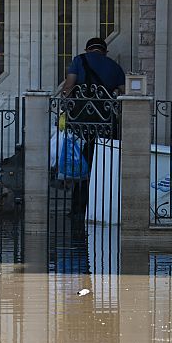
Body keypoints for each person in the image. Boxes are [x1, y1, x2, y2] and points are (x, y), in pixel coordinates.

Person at [61, 37, 125, 222]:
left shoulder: (79, 61)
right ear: (104, 52)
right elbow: (124, 93)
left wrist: (64, 107)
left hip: (81, 121)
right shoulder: (114, 66)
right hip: (106, 122)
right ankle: (101, 207)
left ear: (88, 49)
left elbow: (68, 86)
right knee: (104, 164)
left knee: (81, 162)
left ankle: (78, 208)